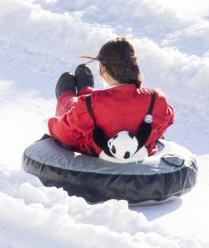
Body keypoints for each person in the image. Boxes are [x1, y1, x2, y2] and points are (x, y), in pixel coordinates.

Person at [48, 37, 177, 160]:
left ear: (103, 69)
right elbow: (168, 119)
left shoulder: (88, 104)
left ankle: (70, 94)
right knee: (89, 106)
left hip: (97, 149)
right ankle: (86, 90)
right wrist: (153, 135)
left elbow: (66, 133)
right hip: (142, 151)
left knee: (72, 105)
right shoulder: (156, 98)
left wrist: (51, 124)